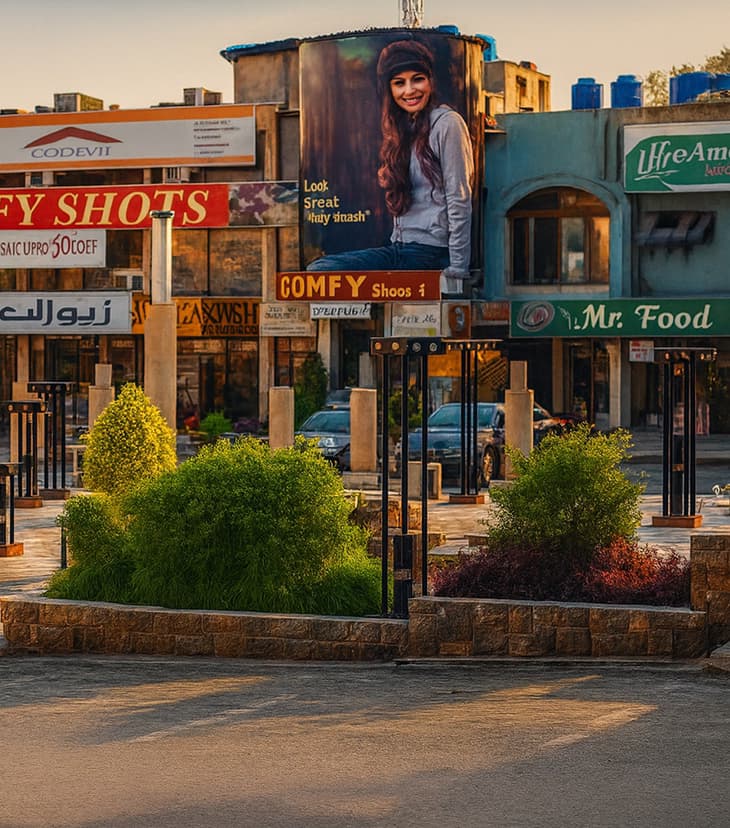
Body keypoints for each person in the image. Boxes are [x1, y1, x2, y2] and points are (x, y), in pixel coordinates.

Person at [306, 39, 474, 296]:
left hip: (431, 254)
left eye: (417, 79)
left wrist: (458, 271)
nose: (409, 90)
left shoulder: (447, 124)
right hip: (399, 248)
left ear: (430, 81)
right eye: (399, 83)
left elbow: (460, 198)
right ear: (390, 89)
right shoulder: (403, 130)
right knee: (320, 270)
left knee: (323, 273)